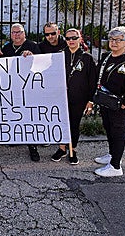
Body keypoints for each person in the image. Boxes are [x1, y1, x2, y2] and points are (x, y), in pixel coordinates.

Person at [93, 26, 125, 177]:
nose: (114, 42)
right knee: (108, 128)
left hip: (121, 103)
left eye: (118, 40)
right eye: (111, 39)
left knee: (117, 132)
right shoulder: (106, 57)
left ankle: (115, 167)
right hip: (106, 101)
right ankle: (112, 154)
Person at [50, 28, 97, 165]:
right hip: (61, 97)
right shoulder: (59, 55)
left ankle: (73, 149)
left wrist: (90, 101)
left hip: (79, 98)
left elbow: (92, 81)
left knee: (74, 124)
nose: (71, 41)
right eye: (68, 38)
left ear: (80, 39)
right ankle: (62, 148)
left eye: (74, 38)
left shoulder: (87, 58)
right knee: (61, 123)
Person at [1, 23, 42, 161]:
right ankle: (16, 137)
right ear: (11, 35)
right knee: (15, 113)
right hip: (13, 87)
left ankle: (32, 146)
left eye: (19, 32)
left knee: (29, 117)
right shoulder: (6, 48)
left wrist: (32, 57)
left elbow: (41, 65)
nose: (16, 35)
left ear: (24, 33)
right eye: (14, 32)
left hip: (29, 88)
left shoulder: (33, 46)